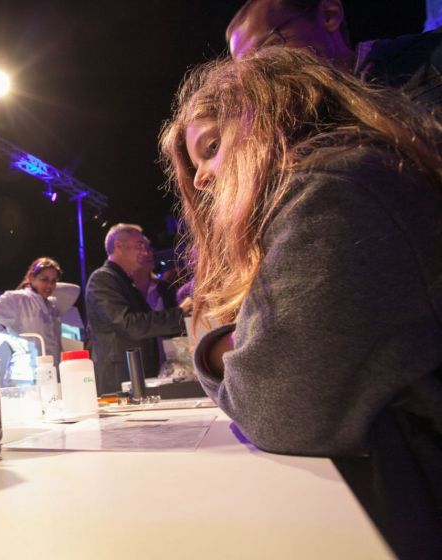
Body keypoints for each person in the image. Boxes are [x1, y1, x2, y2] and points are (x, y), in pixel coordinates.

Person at [158, 48, 442, 559]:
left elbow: (282, 406)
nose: (200, 180)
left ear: (270, 113)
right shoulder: (347, 177)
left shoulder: (334, 190)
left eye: (212, 146)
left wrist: (214, 340)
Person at [225, 0, 442, 110]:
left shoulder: (431, 58)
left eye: (268, 50)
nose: (259, 77)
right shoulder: (295, 144)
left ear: (330, 15)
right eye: (247, 71)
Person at [84, 224, 185, 395]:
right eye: (140, 245)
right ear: (118, 246)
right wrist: (180, 313)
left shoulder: (124, 282)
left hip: (134, 377)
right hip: (119, 382)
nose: (146, 251)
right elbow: (130, 325)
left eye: (146, 246)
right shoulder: (102, 279)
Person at [0, 257, 79, 366]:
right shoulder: (18, 299)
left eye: (53, 281)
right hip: (24, 372)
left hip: (51, 371)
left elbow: (74, 290)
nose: (50, 286)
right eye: (44, 279)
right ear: (32, 277)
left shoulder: (52, 305)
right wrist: (8, 335)